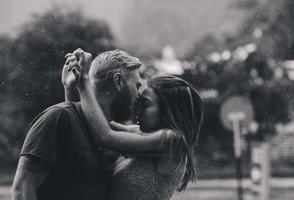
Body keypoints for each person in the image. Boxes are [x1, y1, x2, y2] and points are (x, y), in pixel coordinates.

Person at [64, 48, 203, 200]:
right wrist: (71, 87)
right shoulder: (141, 134)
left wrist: (84, 79)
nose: (136, 107)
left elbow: (105, 137)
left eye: (145, 103)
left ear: (168, 111)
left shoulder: (173, 140)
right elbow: (87, 127)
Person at [11, 49, 143, 200]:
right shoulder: (59, 117)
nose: (139, 95)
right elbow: (22, 190)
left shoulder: (114, 136)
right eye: (137, 86)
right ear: (118, 81)